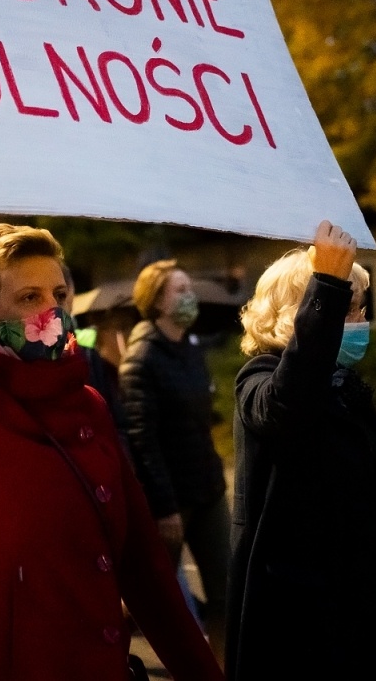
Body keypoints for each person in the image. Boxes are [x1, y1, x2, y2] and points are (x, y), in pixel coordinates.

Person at [0, 160, 223, 681]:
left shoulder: (88, 403)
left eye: (58, 295)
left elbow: (146, 570)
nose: (52, 310)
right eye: (30, 298)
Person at [228, 228, 376, 680]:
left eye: (358, 305)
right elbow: (288, 403)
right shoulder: (258, 378)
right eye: (345, 305)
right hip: (297, 627)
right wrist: (327, 286)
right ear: (298, 315)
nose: (357, 319)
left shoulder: (346, 389)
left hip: (362, 614)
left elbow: (369, 503)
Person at [118, 260, 230, 651]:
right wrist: (164, 508)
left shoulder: (189, 348)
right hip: (172, 500)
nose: (190, 297)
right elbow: (142, 440)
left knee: (225, 594)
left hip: (207, 488)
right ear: (157, 302)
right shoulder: (142, 359)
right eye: (180, 290)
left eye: (189, 288)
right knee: (155, 598)